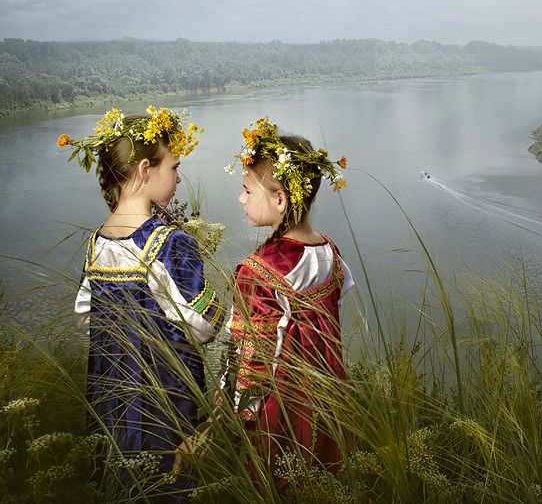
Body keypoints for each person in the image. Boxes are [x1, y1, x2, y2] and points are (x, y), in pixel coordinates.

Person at [58, 106, 224, 485]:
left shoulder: (96, 243)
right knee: (166, 478)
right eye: (174, 168)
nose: (179, 179)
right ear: (145, 170)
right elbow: (204, 325)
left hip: (110, 392)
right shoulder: (169, 244)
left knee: (121, 478)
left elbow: (86, 318)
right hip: (162, 395)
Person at [222, 116, 354, 489]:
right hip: (330, 398)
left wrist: (233, 416)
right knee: (325, 480)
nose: (241, 198)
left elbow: (251, 359)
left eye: (248, 190)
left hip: (283, 408)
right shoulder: (330, 252)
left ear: (280, 199)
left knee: (278, 482)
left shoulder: (258, 270)